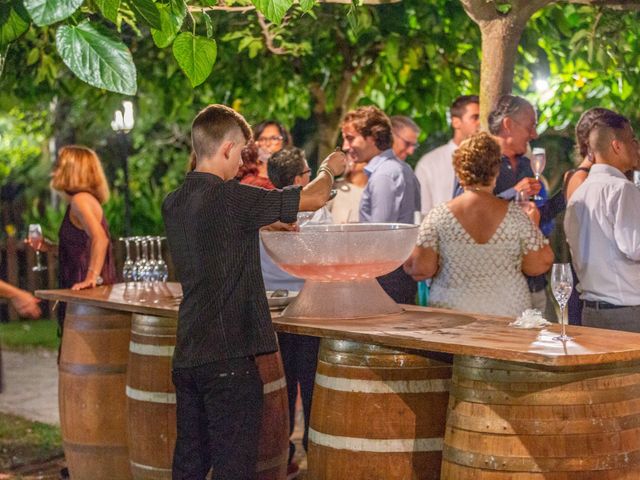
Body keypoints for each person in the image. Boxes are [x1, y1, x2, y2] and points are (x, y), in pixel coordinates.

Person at [162, 104, 346, 480]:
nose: (244, 162)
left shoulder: (174, 202)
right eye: (243, 151)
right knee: (236, 468)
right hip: (230, 358)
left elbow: (216, 238)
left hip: (188, 353)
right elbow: (311, 198)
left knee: (188, 466)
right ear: (227, 147)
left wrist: (264, 226)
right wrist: (329, 168)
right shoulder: (233, 197)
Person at [404, 132, 553, 317]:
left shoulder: (439, 216)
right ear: (496, 171)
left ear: (458, 171)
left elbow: (420, 269)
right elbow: (539, 264)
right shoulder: (515, 216)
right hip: (508, 315)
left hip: (453, 317)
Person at [262, 147, 325, 480]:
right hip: (308, 308)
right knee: (312, 385)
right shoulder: (315, 213)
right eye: (308, 172)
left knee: (280, 387)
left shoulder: (261, 208)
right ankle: (314, 453)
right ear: (301, 178)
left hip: (271, 311)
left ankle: (282, 456)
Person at [481, 95, 565, 315]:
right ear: (508, 125)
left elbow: (541, 218)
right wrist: (513, 193)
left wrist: (565, 195)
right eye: (531, 126)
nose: (534, 134)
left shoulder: (528, 166)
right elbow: (469, 212)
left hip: (535, 281)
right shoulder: (481, 164)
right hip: (500, 286)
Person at [564, 108, 640, 332]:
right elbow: (635, 247)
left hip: (591, 313)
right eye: (632, 140)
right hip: (628, 313)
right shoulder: (622, 189)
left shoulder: (578, 193)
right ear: (617, 146)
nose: (637, 147)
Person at [341, 105, 421, 304]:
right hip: (395, 273)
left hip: (386, 277)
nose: (344, 146)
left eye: (350, 138)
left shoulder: (385, 174)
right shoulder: (398, 169)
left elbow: (378, 236)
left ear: (372, 137)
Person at [46, 146, 117, 294]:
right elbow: (81, 248)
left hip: (87, 294)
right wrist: (49, 248)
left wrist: (90, 278)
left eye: (59, 165)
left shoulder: (80, 201)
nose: (54, 171)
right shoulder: (82, 200)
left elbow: (100, 239)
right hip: (83, 290)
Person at [415, 95, 480, 215]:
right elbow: (423, 212)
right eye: (475, 117)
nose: (480, 123)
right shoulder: (429, 163)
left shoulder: (488, 161)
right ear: (456, 122)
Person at [237, 121, 291, 188]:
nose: (268, 144)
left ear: (284, 143)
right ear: (255, 144)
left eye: (274, 138)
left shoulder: (292, 175)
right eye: (262, 139)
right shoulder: (251, 182)